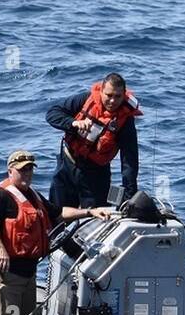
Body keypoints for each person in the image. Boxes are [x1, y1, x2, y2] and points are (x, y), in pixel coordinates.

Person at [0, 149, 110, 315]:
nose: (27, 174)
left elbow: (58, 213)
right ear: (10, 171)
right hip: (10, 276)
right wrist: (0, 248)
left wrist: (89, 212)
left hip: (29, 273)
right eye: (22, 170)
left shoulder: (33, 195)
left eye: (30, 169)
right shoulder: (1, 195)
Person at [46, 72, 141, 211]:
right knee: (56, 212)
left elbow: (129, 161)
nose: (113, 101)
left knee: (98, 214)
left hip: (96, 173)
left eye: (118, 96)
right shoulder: (85, 99)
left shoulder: (125, 120)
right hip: (67, 163)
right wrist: (74, 123)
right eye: (109, 95)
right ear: (101, 91)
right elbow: (52, 113)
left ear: (124, 94)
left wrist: (129, 194)